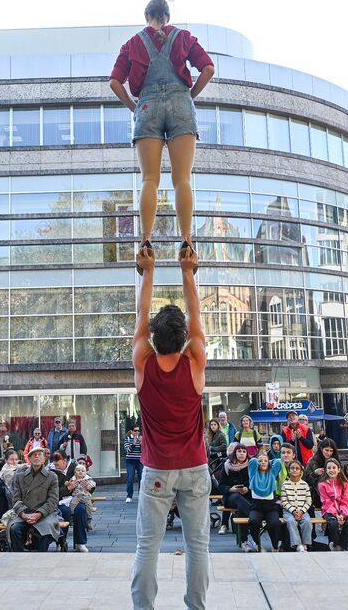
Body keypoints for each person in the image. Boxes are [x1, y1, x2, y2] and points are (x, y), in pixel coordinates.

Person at [109, 0, 215, 274]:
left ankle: (145, 241)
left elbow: (114, 82)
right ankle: (187, 241)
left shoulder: (132, 43)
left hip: (147, 106)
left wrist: (134, 107)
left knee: (149, 179)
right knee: (182, 179)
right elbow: (208, 68)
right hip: (181, 104)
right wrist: (189, 97)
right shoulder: (183, 38)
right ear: (167, 16)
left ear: (147, 16)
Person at [131, 244, 209, 610]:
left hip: (157, 469)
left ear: (153, 338)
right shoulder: (194, 364)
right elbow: (197, 322)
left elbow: (141, 313)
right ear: (183, 339)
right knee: (198, 546)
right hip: (194, 467)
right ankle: (197, 606)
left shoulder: (143, 363)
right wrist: (188, 271)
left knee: (148, 545)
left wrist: (149, 270)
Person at [10, 447, 60, 552]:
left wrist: (39, 514)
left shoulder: (52, 477)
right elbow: (15, 499)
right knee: (14, 529)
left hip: (45, 514)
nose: (37, 456)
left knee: (45, 530)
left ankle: (40, 558)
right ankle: (16, 558)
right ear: (29, 459)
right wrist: (23, 514)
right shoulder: (20, 476)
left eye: (39, 454)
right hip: (25, 513)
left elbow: (53, 500)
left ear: (44, 459)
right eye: (33, 455)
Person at [244, 452, 282, 553]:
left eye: (265, 461)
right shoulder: (253, 473)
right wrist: (259, 459)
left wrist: (268, 461)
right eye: (260, 461)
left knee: (275, 523)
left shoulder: (272, 472)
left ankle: (274, 545)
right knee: (253, 521)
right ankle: (257, 543)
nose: (263, 463)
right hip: (256, 506)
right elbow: (252, 461)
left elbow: (278, 462)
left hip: (270, 507)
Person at [318, 458, 348, 551]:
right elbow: (326, 501)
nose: (332, 470)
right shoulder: (322, 484)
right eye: (329, 468)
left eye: (334, 468)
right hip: (329, 510)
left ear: (339, 470)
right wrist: (336, 514)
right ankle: (334, 544)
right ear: (326, 470)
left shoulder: (344, 484)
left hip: (344, 510)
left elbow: (346, 500)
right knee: (333, 523)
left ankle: (342, 546)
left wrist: (342, 514)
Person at [279, 461, 313, 552]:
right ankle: (297, 544)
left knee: (307, 521)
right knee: (290, 521)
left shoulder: (304, 484)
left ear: (301, 472)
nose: (294, 470)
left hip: (303, 510)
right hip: (289, 511)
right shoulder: (285, 485)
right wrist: (293, 511)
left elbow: (309, 501)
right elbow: (284, 501)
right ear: (289, 471)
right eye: (292, 468)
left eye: (297, 468)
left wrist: (302, 511)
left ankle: (305, 544)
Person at [217, 444, 251, 535]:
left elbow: (254, 483)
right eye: (239, 451)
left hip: (246, 496)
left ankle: (243, 533)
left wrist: (247, 489)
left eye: (244, 452)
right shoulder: (227, 465)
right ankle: (254, 517)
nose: (242, 454)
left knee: (243, 501)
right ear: (234, 453)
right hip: (230, 497)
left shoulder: (251, 465)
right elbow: (221, 485)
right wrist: (230, 489)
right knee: (237, 497)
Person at [304, 437, 338, 509]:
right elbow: (306, 480)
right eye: (326, 450)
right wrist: (314, 473)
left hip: (335, 492)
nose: (328, 453)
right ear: (321, 449)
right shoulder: (313, 461)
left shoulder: (336, 461)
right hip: (317, 494)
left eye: (331, 451)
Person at [69, 463, 97, 539]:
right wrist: (69, 485)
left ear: (85, 473)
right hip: (77, 496)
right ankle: (71, 518)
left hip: (86, 496)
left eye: (82, 471)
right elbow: (69, 486)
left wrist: (90, 486)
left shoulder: (88, 479)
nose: (80, 472)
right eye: (78, 471)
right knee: (72, 505)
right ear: (75, 472)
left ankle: (88, 521)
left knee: (89, 507)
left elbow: (93, 484)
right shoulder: (73, 479)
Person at [124, 426, 143, 503]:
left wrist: (142, 444)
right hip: (130, 461)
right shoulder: (128, 439)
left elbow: (144, 451)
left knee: (141, 478)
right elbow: (127, 450)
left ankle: (141, 495)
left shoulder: (141, 439)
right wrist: (133, 443)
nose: (137, 432)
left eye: (138, 430)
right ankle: (129, 496)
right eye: (135, 430)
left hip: (140, 461)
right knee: (130, 478)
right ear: (131, 431)